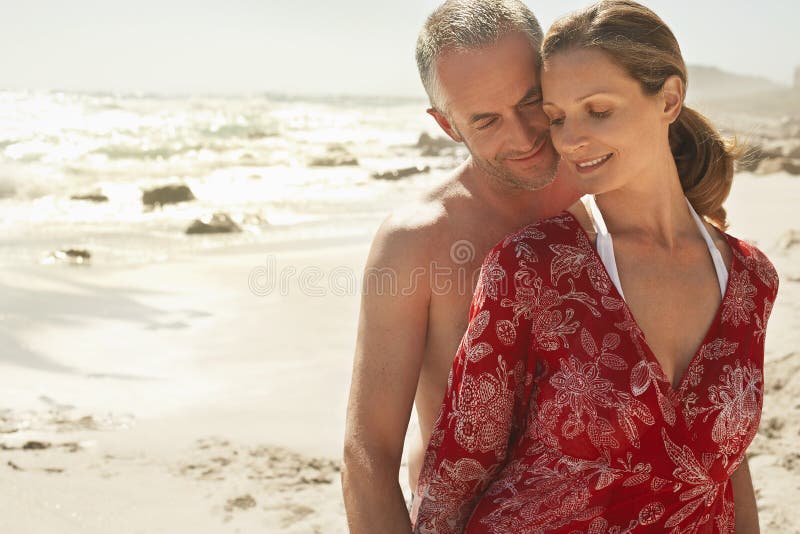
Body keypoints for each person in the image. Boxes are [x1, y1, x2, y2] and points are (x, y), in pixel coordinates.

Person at [411, 1, 779, 532]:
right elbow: (456, 476)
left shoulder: (751, 280)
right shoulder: (529, 267)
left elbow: (727, 466)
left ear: (670, 98)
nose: (571, 139)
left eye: (598, 110)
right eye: (557, 117)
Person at [341, 1, 581, 532]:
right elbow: (368, 456)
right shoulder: (417, 242)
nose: (521, 136)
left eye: (532, 101)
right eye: (486, 120)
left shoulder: (607, 193)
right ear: (448, 126)